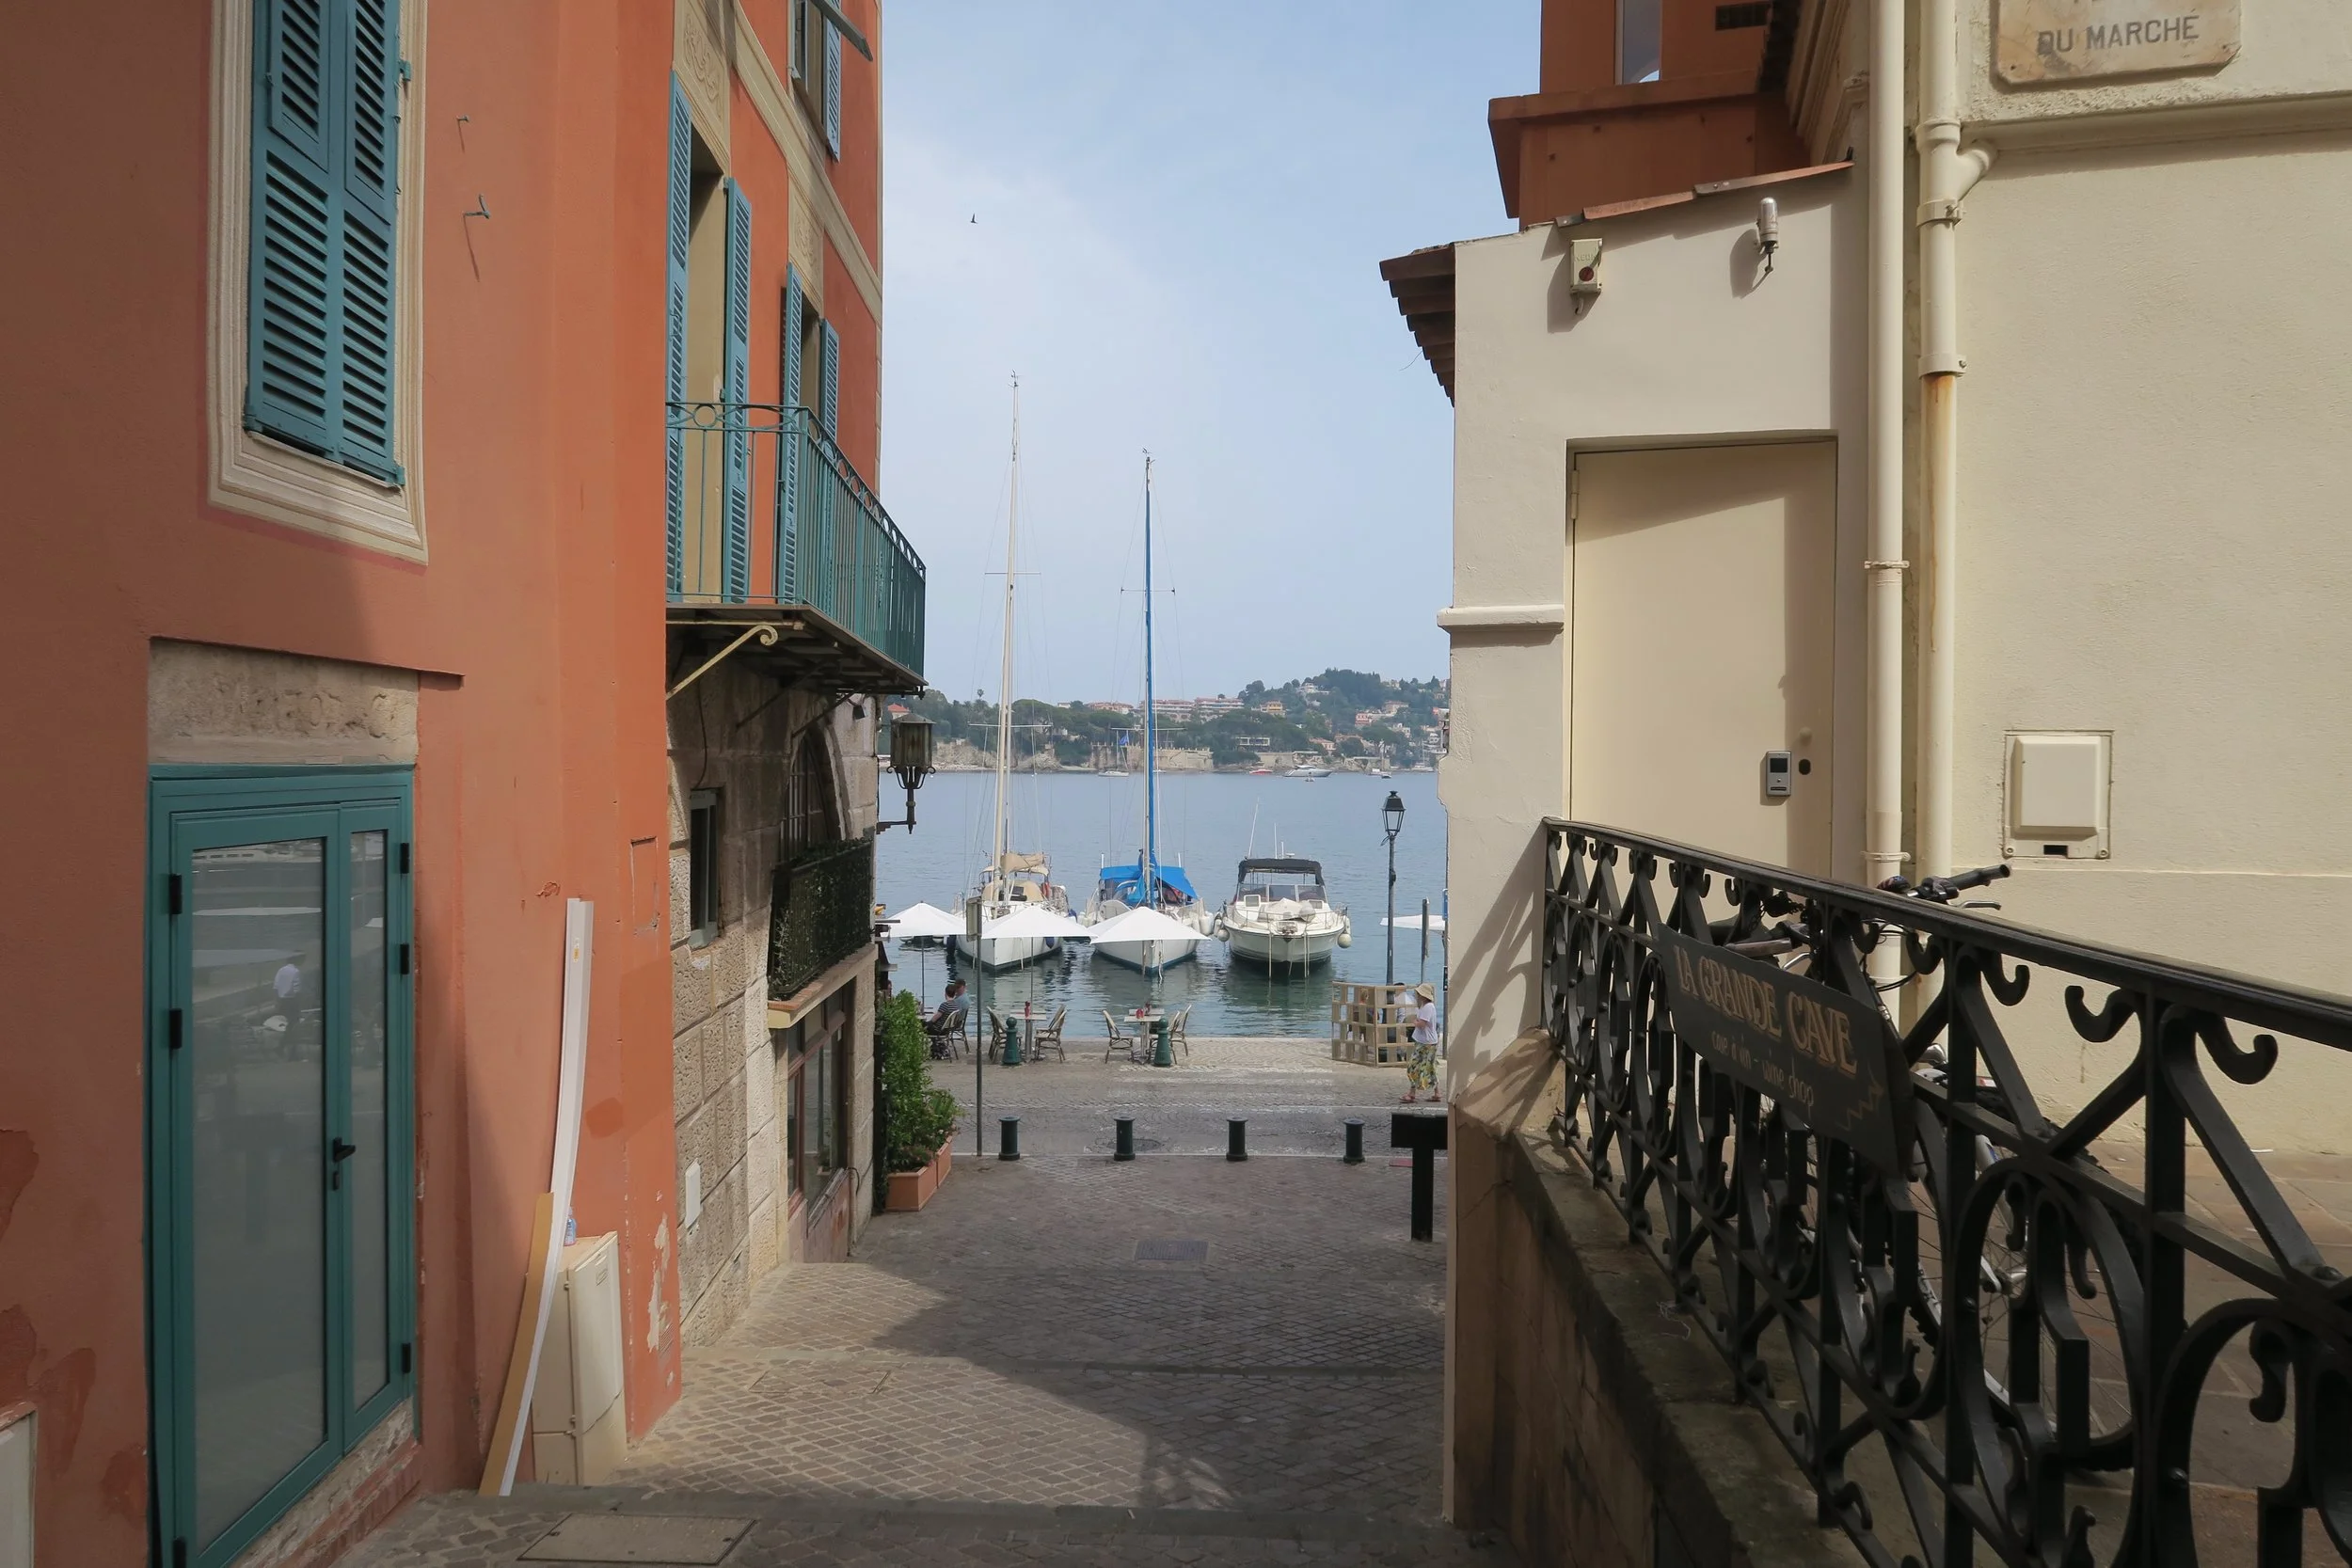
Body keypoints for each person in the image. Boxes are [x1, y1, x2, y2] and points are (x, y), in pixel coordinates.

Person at [1402, 982, 1441, 1103]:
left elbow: (1422, 1025)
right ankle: (1436, 1092)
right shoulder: (1428, 1007)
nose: (1417, 995)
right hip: (1429, 1041)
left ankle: (1412, 1093)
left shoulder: (1427, 1007)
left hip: (1425, 1042)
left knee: (1413, 1066)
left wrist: (1415, 1022)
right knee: (1430, 1067)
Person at [925, 980, 971, 1058]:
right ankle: (938, 1047)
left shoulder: (944, 1005)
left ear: (945, 993)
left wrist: (927, 1023)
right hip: (947, 1029)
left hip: (939, 1030)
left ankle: (935, 1048)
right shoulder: (955, 1006)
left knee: (923, 1026)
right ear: (954, 993)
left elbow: (934, 1019)